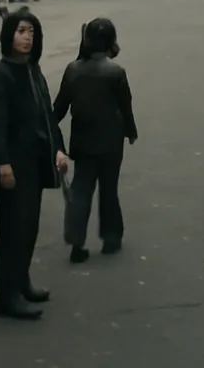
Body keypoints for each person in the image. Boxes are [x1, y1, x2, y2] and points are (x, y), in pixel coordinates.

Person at [0, 11, 70, 320]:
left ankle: (22, 282)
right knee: (12, 230)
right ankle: (7, 297)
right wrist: (3, 164)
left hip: (33, 163)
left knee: (29, 226)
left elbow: (47, 116)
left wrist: (58, 150)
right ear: (9, 35)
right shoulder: (1, 75)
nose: (27, 37)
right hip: (12, 165)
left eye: (32, 32)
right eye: (21, 31)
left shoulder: (33, 71)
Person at [53, 19, 137, 264]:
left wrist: (51, 135)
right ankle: (111, 238)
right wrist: (131, 131)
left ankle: (76, 243)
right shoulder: (116, 72)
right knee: (109, 190)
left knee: (81, 191)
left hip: (83, 141)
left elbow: (58, 109)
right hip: (111, 142)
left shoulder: (73, 70)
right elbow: (126, 107)